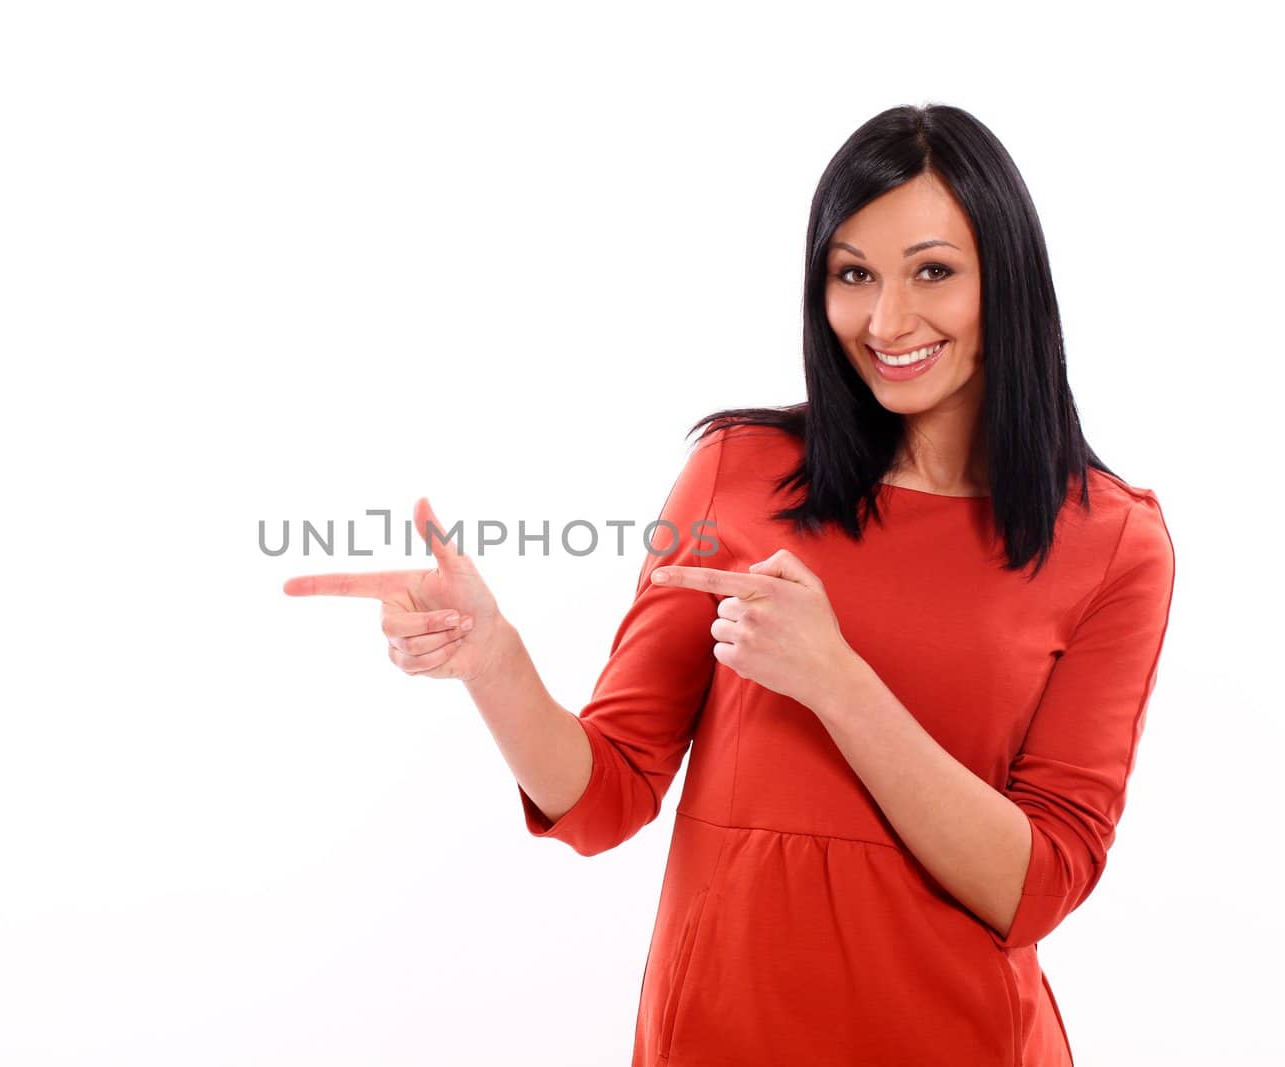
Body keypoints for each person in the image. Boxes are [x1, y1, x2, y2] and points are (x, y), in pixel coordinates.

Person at [282, 103, 1175, 1066]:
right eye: (853, 275)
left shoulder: (1114, 543)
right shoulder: (737, 471)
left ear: (1009, 277)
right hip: (719, 1036)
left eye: (933, 272)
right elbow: (607, 793)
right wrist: (496, 664)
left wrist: (836, 681)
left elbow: (1037, 884)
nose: (887, 320)